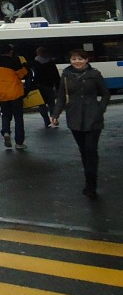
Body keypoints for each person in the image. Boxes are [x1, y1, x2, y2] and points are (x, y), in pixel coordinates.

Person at [53, 49, 109, 197]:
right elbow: (60, 96)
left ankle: (91, 184)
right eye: (74, 59)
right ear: (70, 60)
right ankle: (88, 179)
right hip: (74, 117)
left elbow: (105, 94)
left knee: (91, 150)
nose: (77, 61)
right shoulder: (66, 75)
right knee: (84, 151)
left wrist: (100, 109)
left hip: (93, 117)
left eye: (80, 59)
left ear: (86, 60)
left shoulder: (94, 74)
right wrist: (55, 114)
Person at [0, 44, 29, 149]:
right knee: (18, 118)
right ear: (10, 51)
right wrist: (24, 65)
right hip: (15, 93)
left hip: (2, 94)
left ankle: (6, 132)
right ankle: (19, 142)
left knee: (6, 115)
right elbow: (23, 74)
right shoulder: (14, 61)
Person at [29, 45, 60, 128]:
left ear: (37, 53)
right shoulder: (50, 62)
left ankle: (46, 120)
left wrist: (31, 86)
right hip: (49, 86)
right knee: (51, 104)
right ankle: (53, 119)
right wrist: (58, 86)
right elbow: (56, 75)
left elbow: (32, 75)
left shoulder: (34, 63)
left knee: (41, 105)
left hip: (39, 87)